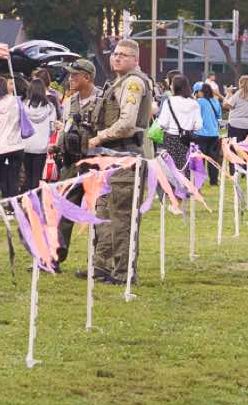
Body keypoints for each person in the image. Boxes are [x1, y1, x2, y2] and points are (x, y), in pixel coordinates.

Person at [83, 39, 153, 286]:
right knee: (103, 212)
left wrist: (98, 138)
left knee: (122, 217)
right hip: (109, 158)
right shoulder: (118, 83)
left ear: (136, 60)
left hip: (127, 158)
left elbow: (126, 124)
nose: (117, 58)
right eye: (115, 53)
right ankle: (101, 265)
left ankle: (123, 272)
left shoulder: (134, 83)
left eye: (124, 55)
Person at [54, 59, 101, 267]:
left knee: (100, 212)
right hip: (72, 163)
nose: (70, 78)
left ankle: (99, 262)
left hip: (96, 164)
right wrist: (57, 145)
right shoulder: (70, 101)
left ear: (87, 77)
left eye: (75, 75)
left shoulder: (103, 100)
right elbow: (66, 127)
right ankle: (54, 257)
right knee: (63, 209)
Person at [19, 77, 57, 193]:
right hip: (41, 147)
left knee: (28, 175)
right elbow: (52, 128)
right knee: (37, 177)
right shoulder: (50, 107)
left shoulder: (24, 106)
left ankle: (27, 200)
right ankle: (36, 201)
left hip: (26, 145)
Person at [193, 79, 225, 184]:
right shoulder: (215, 101)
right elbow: (219, 117)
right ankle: (214, 180)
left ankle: (200, 181)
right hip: (214, 134)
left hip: (201, 134)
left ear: (200, 91)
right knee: (213, 159)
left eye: (196, 92)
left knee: (200, 159)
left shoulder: (199, 102)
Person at [223, 75, 248, 147]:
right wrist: (231, 95)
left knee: (235, 148)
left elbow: (226, 105)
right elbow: (236, 103)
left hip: (237, 126)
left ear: (241, 83)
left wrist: (228, 93)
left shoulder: (239, 93)